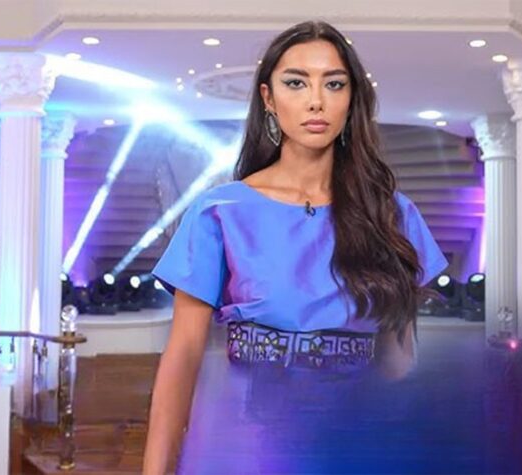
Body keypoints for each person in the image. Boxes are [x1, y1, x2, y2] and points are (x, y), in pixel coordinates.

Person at [143, 20, 448, 475]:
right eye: (296, 83)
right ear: (268, 98)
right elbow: (182, 358)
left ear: (352, 99)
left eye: (334, 84)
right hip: (247, 444)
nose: (316, 100)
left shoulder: (392, 214)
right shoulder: (220, 212)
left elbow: (399, 363)